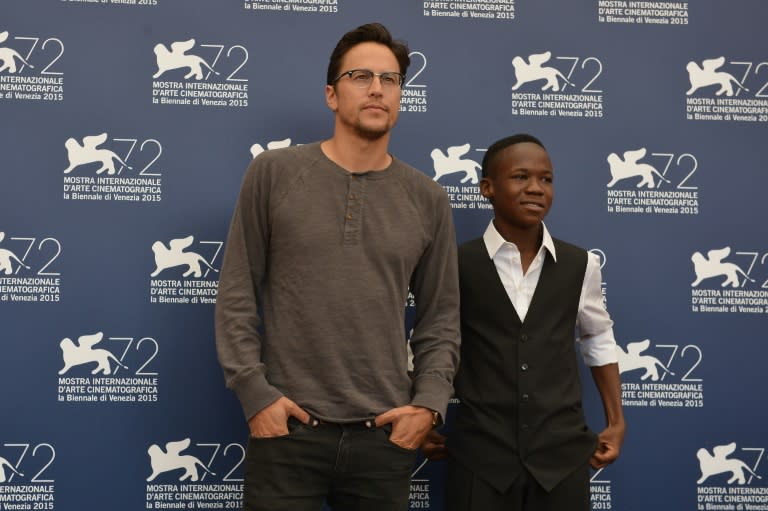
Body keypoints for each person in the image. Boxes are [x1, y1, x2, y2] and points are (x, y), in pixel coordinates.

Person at [214, 23, 460, 511]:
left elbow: (441, 318)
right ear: (332, 94)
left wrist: (428, 406)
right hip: (287, 431)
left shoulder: (428, 198)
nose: (376, 89)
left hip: (384, 438)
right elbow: (237, 293)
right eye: (360, 76)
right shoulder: (274, 173)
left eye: (390, 80)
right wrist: (255, 394)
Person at [422, 134, 625, 510]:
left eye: (546, 179)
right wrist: (421, 413)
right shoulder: (453, 264)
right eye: (520, 177)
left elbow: (598, 338)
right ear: (487, 188)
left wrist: (616, 419)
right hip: (480, 459)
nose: (535, 188)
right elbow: (429, 341)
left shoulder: (581, 265)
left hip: (562, 461)